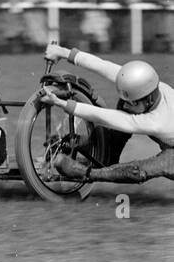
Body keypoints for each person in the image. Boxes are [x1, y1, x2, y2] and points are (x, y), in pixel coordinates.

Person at [41, 44, 174, 183]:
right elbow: (103, 66)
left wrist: (63, 104)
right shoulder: (148, 87)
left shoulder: (157, 123)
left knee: (138, 171)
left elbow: (105, 117)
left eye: (132, 102)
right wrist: (62, 52)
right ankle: (103, 153)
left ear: (149, 100)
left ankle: (83, 173)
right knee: (109, 155)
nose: (126, 105)